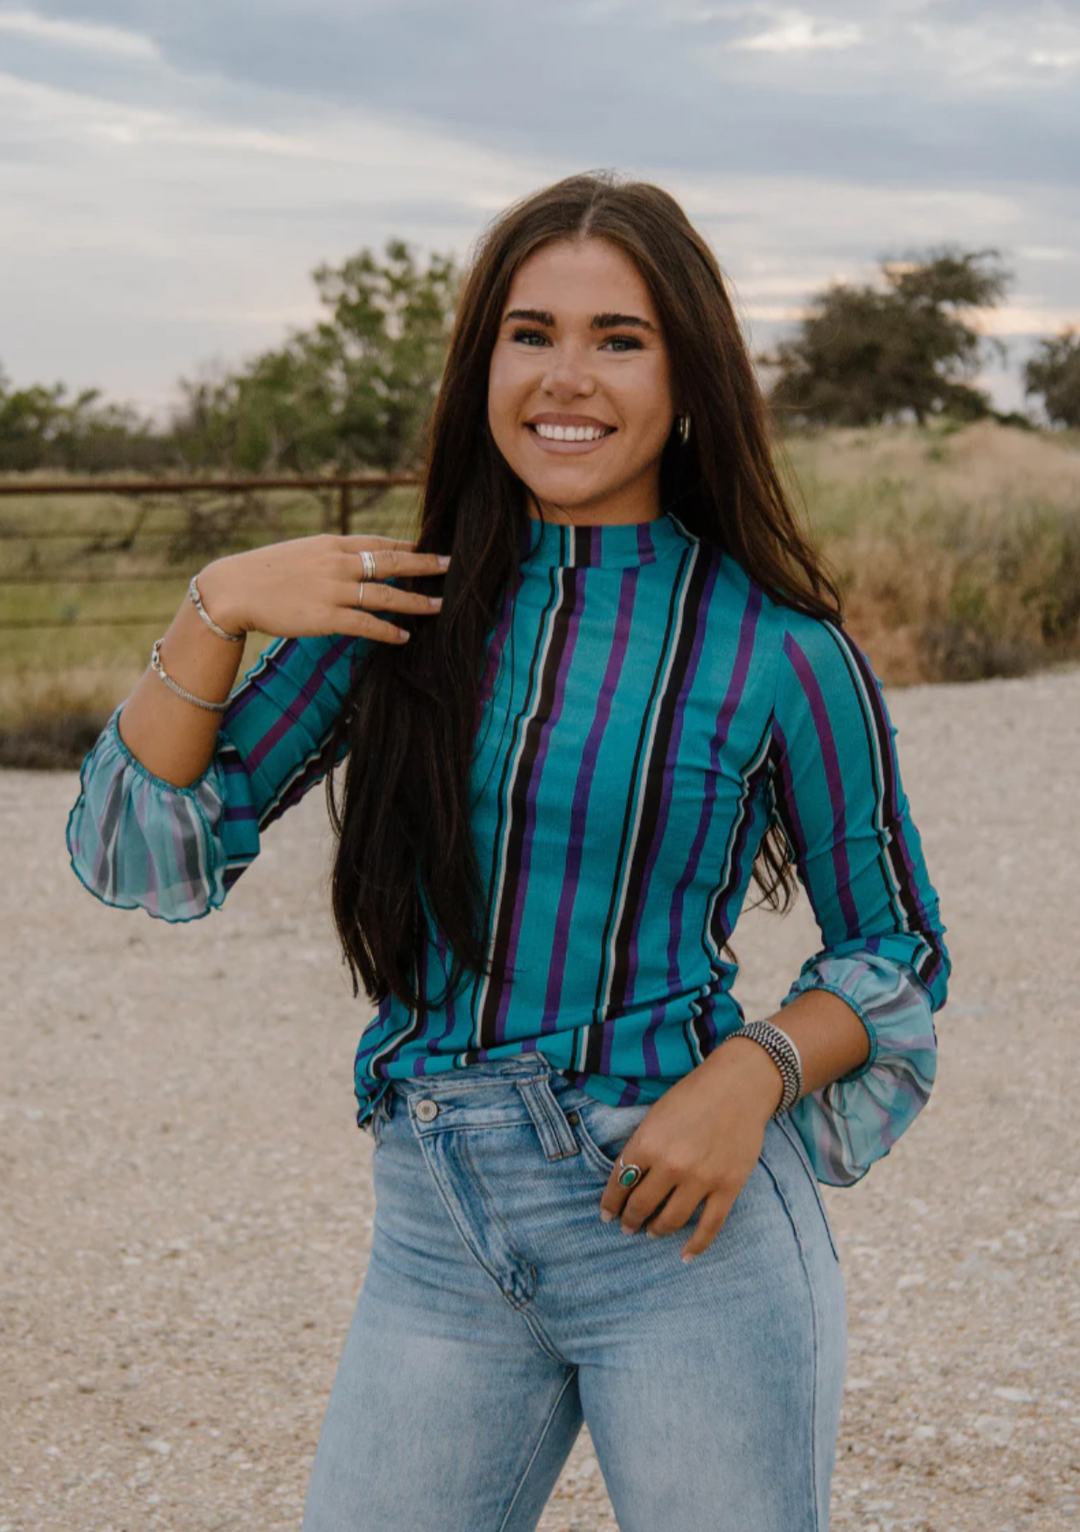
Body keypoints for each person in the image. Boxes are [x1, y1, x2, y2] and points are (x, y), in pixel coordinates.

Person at [67, 172, 950, 1532]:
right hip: (438, 1240)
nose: (565, 377)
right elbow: (141, 854)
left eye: (620, 339)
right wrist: (219, 605)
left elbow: (898, 949)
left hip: (684, 1235)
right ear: (483, 362)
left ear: (688, 376)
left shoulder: (781, 649)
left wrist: (755, 1070)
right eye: (530, 333)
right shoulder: (396, 611)